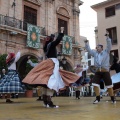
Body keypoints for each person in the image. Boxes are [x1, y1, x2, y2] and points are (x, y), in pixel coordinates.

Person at [23, 27, 80, 108]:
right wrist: (61, 32)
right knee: (52, 81)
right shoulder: (51, 45)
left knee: (47, 82)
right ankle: (49, 103)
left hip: (48, 62)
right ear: (51, 40)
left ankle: (46, 102)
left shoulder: (46, 47)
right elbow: (58, 41)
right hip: (52, 63)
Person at [84, 32, 116, 104]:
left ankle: (112, 99)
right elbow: (89, 50)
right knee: (94, 84)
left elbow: (109, 45)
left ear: (101, 48)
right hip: (98, 71)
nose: (97, 48)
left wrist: (107, 38)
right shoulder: (95, 53)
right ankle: (97, 98)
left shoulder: (106, 52)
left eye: (98, 47)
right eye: (97, 47)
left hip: (105, 71)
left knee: (109, 85)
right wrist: (86, 43)